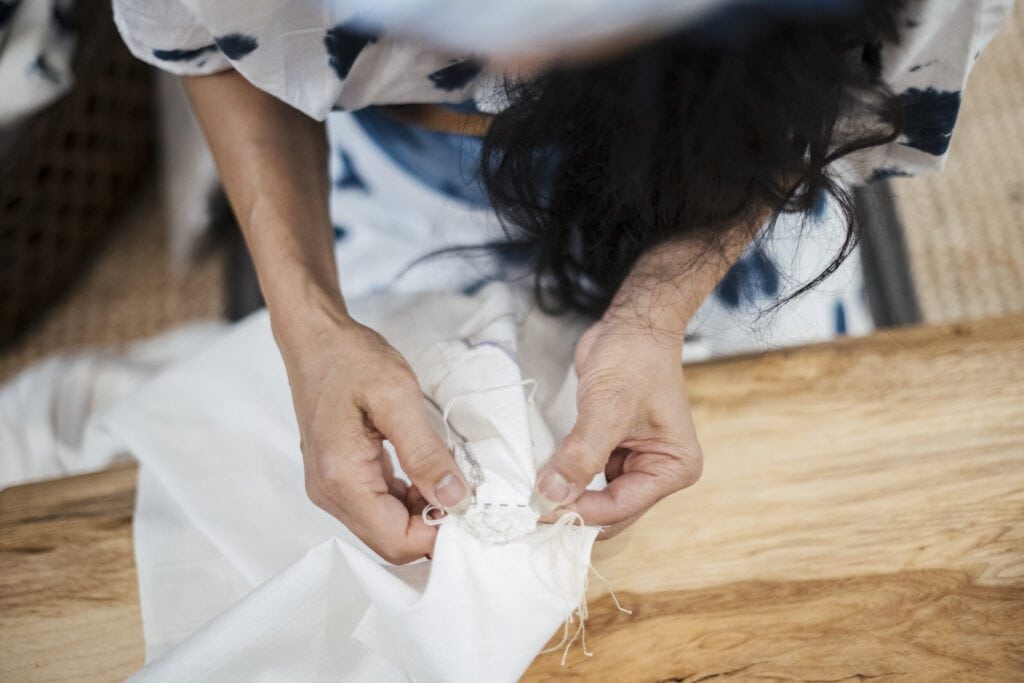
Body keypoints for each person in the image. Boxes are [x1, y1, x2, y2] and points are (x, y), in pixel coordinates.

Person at [113, 0, 1008, 563]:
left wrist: (660, 306)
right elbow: (206, 43)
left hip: (731, 153)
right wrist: (308, 320)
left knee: (802, 454)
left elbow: (845, 94)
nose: (514, 78)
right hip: (402, 165)